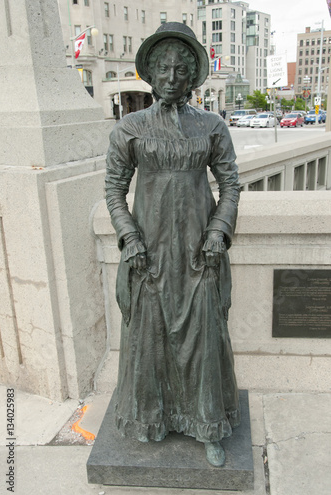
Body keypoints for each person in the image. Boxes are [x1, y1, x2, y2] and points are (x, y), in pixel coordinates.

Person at [105, 22, 241, 467]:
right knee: (150, 341)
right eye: (162, 68)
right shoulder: (130, 128)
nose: (170, 76)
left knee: (203, 341)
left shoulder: (213, 125)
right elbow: (113, 189)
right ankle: (153, 419)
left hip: (199, 253)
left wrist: (219, 231)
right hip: (150, 252)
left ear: (191, 76)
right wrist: (128, 237)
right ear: (150, 73)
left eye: (179, 69)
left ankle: (208, 426)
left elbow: (231, 186)